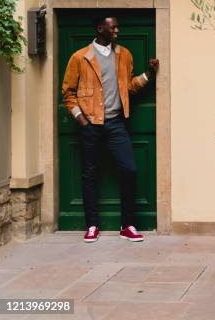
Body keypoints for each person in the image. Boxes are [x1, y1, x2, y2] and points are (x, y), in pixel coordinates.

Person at [61, 16, 159, 243]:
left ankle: (128, 225)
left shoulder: (124, 55)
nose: (117, 30)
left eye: (117, 27)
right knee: (90, 175)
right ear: (100, 29)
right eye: (112, 27)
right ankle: (92, 225)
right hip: (90, 125)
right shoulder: (80, 57)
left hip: (116, 123)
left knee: (129, 170)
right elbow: (68, 93)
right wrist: (82, 121)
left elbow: (129, 87)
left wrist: (148, 74)